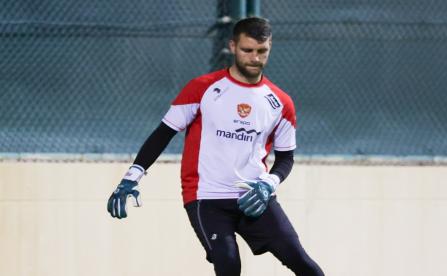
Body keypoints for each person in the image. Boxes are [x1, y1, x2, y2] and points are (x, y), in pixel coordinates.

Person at [107, 17, 324, 276]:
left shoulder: (281, 103)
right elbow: (163, 134)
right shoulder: (202, 89)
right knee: (229, 264)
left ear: (270, 48)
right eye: (247, 50)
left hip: (254, 196)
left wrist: (269, 183)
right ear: (232, 46)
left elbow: (286, 158)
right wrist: (134, 175)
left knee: (304, 264)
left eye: (261, 51)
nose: (254, 58)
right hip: (206, 197)